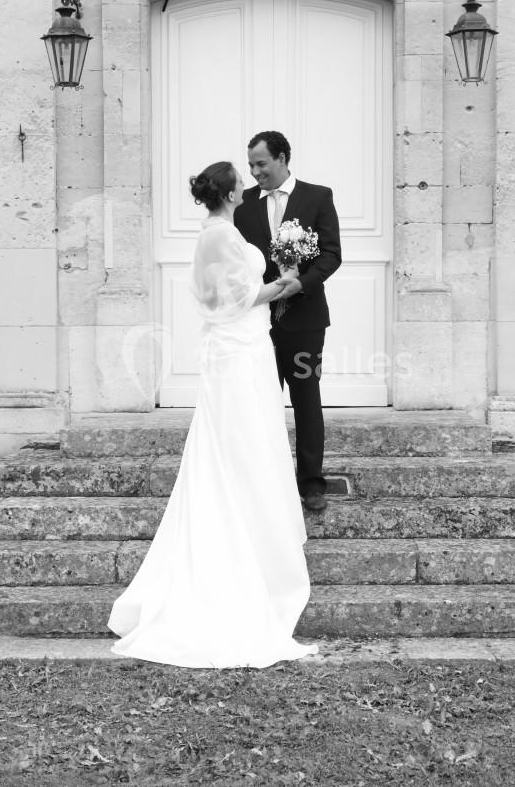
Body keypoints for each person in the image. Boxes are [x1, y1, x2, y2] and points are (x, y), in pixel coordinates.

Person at [108, 161, 318, 668]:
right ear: (228, 193)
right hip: (239, 349)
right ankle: (245, 544)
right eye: (240, 182)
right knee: (242, 444)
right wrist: (284, 283)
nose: (247, 184)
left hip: (241, 347)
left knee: (243, 441)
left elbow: (220, 296)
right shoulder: (220, 236)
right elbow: (238, 299)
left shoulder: (215, 233)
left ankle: (253, 528)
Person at [234, 131, 342, 513]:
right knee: (260, 402)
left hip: (306, 321)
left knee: (306, 399)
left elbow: (331, 254)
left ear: (282, 158)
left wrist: (302, 283)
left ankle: (311, 484)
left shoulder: (318, 197)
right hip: (257, 322)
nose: (254, 172)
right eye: (251, 165)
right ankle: (262, 484)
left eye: (261, 163)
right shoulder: (243, 204)